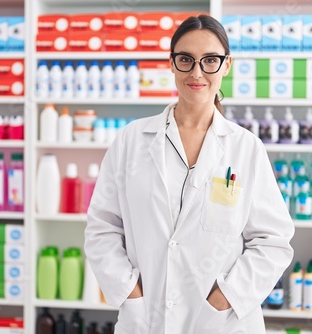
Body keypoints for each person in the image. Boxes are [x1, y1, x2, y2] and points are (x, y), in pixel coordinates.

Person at [84, 14, 295, 334]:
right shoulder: (132, 140)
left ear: (226, 65)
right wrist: (130, 294)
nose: (197, 72)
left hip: (220, 323)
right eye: (186, 59)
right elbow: (102, 228)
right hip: (146, 320)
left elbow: (273, 242)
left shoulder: (246, 148)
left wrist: (225, 298)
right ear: (171, 64)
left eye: (210, 60)